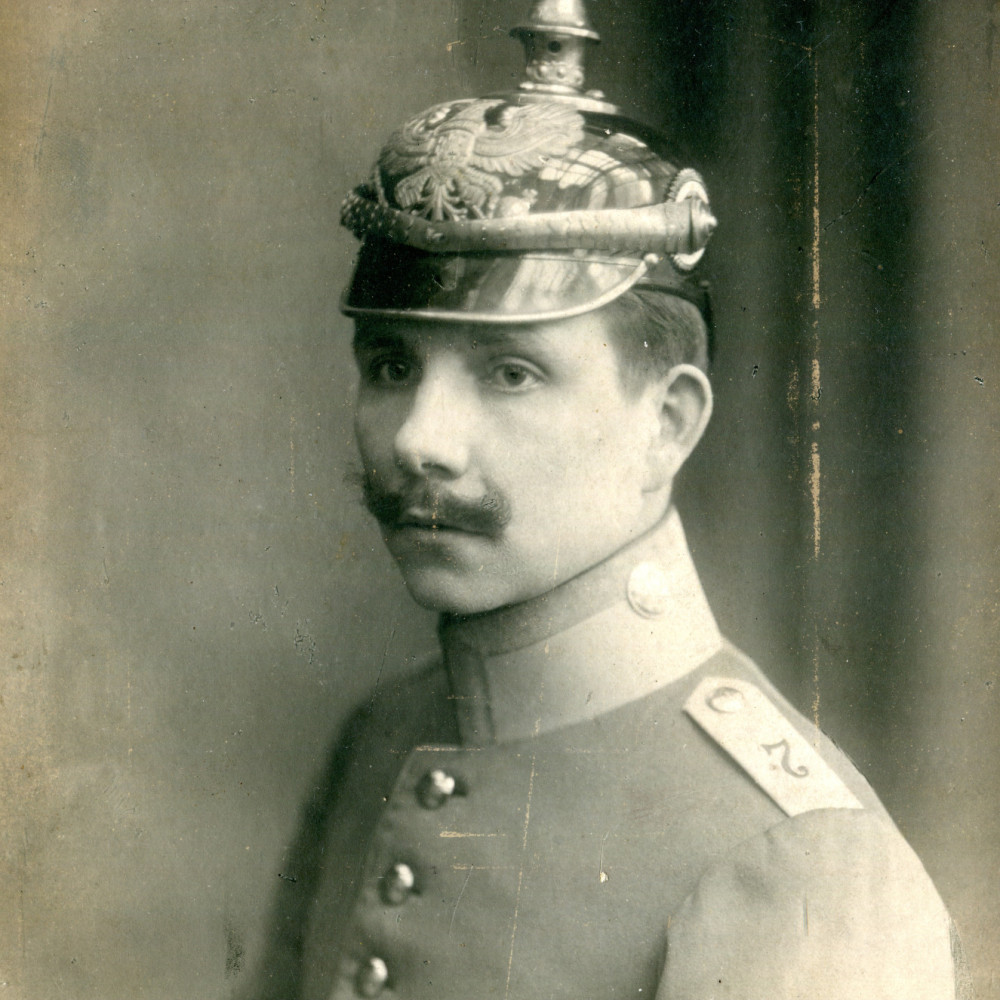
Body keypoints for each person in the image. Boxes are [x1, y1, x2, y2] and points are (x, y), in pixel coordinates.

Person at [244, 3, 968, 998]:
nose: (418, 438)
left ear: (665, 422)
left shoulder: (801, 864)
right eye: (391, 362)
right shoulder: (381, 736)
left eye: (509, 373)